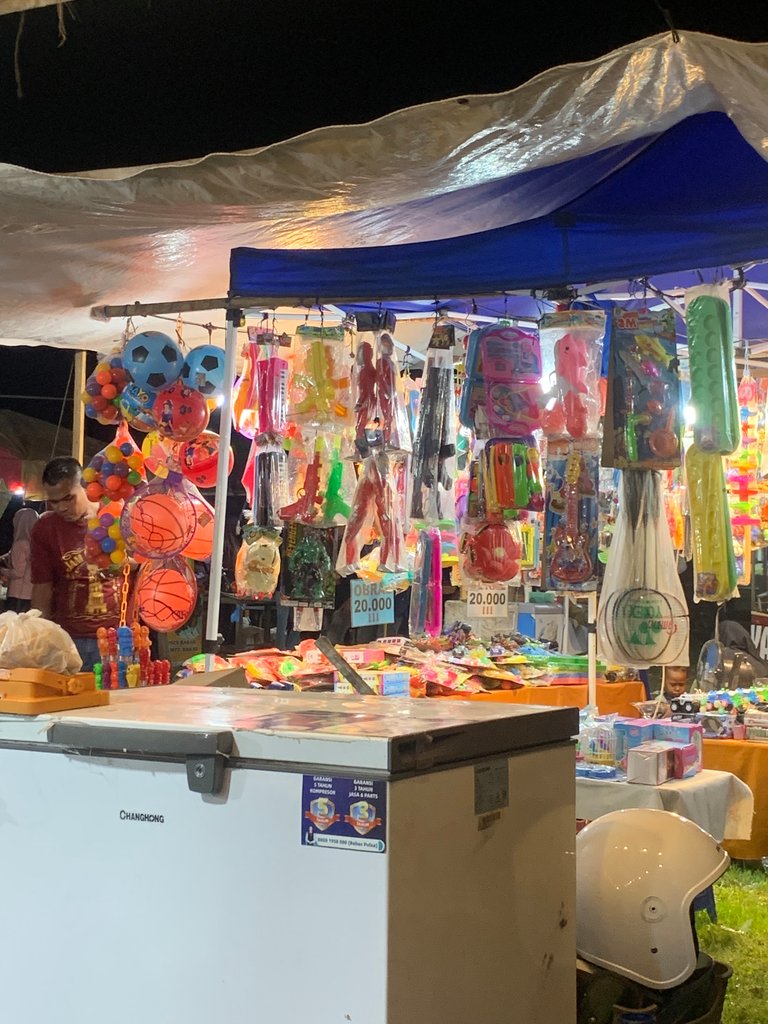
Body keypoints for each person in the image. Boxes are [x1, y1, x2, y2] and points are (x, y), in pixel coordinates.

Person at [30, 457, 123, 671]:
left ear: (84, 486)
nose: (61, 507)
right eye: (54, 502)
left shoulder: (117, 516)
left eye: (68, 498)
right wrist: (39, 639)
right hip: (69, 640)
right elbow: (42, 588)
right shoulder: (45, 528)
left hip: (120, 637)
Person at [0, 506, 39, 612]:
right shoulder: (36, 544)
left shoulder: (20, 543)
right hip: (30, 593)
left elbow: (18, 573)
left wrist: (2, 570)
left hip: (18, 595)